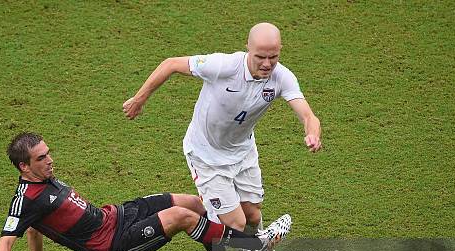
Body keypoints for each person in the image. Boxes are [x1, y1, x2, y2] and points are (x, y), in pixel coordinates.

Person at [0, 132, 291, 251]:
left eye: (48, 153)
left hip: (116, 216)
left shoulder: (44, 179)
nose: (50, 160)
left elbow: (35, 229)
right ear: (24, 167)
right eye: (42, 158)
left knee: (193, 204)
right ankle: (249, 248)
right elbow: (7, 239)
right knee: (181, 217)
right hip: (112, 245)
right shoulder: (25, 199)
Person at [123, 22, 321, 236]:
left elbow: (309, 115)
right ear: (248, 48)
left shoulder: (282, 77)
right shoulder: (224, 66)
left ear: (280, 50)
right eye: (260, 57)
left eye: (273, 57)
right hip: (205, 155)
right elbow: (170, 64)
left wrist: (312, 133)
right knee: (235, 223)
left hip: (243, 152)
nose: (267, 64)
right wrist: (139, 100)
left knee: (252, 217)